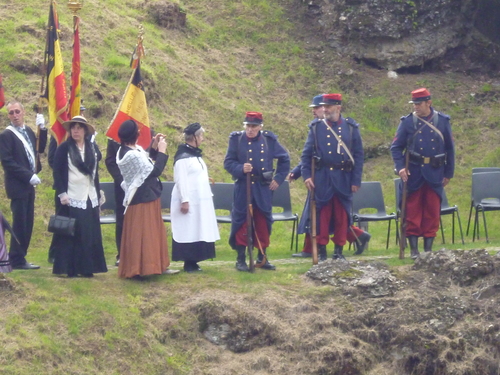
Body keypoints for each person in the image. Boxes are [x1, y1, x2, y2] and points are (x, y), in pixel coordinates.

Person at [293, 95, 370, 258]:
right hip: (323, 178)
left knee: (342, 216)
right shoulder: (315, 127)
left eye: (329, 106)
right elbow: (306, 155)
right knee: (322, 216)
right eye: (324, 106)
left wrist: (356, 180)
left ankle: (339, 251)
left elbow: (358, 155)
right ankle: (321, 251)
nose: (325, 109)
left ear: (338, 107)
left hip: (344, 177)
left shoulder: (350, 127)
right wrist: (306, 176)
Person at [391, 88, 455, 258]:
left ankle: (428, 250)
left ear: (429, 103)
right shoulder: (407, 122)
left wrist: (448, 173)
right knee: (412, 211)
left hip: (435, 171)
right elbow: (396, 147)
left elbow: (450, 148)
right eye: (414, 104)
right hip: (414, 172)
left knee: (432, 212)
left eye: (419, 104)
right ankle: (413, 250)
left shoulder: (442, 121)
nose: (416, 107)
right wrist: (400, 167)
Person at [224, 112, 290, 271]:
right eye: (248, 126)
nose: (250, 129)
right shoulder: (236, 139)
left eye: (253, 126)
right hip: (243, 187)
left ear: (260, 126)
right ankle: (241, 259)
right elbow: (228, 162)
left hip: (262, 188)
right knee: (241, 221)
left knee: (263, 222)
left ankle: (262, 256)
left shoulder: (269, 140)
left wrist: (278, 179)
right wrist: (240, 168)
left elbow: (284, 159)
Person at [116, 120, 178, 278]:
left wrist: (155, 145)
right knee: (145, 234)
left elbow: (146, 160)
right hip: (142, 198)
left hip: (146, 195)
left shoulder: (129, 150)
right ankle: (143, 268)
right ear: (134, 134)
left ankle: (155, 266)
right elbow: (154, 170)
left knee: (151, 232)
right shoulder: (130, 154)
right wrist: (163, 151)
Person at [51, 116, 107, 277]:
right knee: (73, 234)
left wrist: (98, 194)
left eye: (79, 127)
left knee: (89, 233)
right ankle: (71, 269)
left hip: (90, 196)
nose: (75, 130)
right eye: (73, 127)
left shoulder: (92, 148)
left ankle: (88, 268)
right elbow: (57, 171)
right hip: (71, 196)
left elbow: (94, 174)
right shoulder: (64, 148)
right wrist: (62, 193)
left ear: (85, 131)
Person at [0, 101, 47, 270]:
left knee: (28, 223)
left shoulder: (28, 130)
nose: (15, 115)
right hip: (18, 185)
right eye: (11, 113)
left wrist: (42, 129)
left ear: (23, 112)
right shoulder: (6, 135)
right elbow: (7, 162)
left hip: (29, 185)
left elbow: (39, 149)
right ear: (8, 116)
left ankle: (22, 256)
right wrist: (28, 176)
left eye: (17, 111)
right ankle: (16, 259)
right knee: (20, 223)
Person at [171, 123, 220, 272]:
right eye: (201, 136)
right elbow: (181, 180)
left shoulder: (194, 155)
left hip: (199, 199)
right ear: (195, 137)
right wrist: (184, 200)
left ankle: (195, 260)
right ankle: (189, 261)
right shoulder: (183, 157)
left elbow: (193, 174)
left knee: (198, 228)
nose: (203, 139)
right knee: (189, 229)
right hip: (189, 199)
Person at [105, 138, 125, 267]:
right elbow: (110, 161)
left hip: (142, 186)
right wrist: (121, 179)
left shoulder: (146, 131)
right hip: (122, 186)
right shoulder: (114, 137)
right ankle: (122, 254)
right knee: (122, 220)